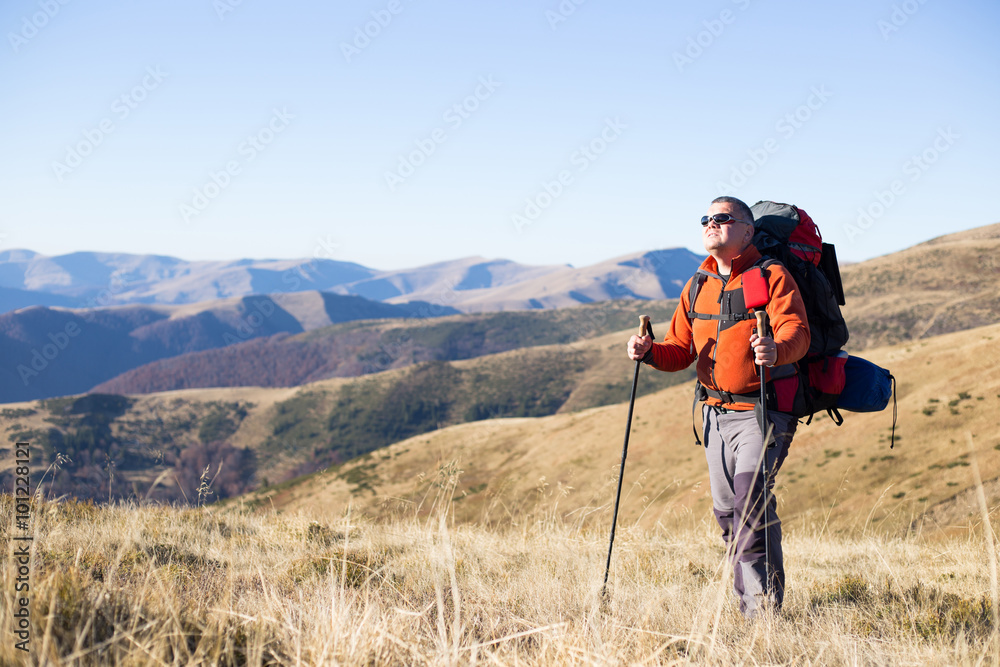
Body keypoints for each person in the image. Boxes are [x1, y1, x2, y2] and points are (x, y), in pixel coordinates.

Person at [627, 196, 810, 617]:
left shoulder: (771, 274)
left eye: (724, 218)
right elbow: (679, 351)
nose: (712, 223)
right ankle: (754, 601)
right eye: (707, 218)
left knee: (750, 503)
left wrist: (775, 349)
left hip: (762, 411)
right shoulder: (697, 285)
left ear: (747, 230)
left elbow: (797, 333)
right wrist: (649, 351)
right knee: (729, 514)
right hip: (713, 414)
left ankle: (762, 616)